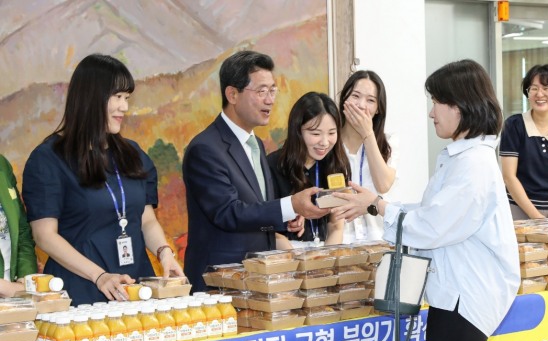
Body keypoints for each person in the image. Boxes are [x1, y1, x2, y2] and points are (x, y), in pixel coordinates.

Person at [331, 59, 520, 341]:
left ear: (460, 106)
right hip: (453, 294)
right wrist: (377, 205)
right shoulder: (462, 157)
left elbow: (432, 226)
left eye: (437, 102)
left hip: (466, 297)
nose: (432, 112)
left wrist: (377, 205)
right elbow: (430, 213)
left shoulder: (474, 165)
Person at [22, 54, 183, 305]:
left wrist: (164, 253)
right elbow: (45, 236)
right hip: (81, 292)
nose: (124, 107)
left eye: (127, 98)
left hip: (135, 288)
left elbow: (146, 220)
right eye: (117, 97)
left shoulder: (133, 154)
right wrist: (100, 276)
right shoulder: (48, 159)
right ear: (91, 97)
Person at [182, 50, 328, 291]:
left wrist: (288, 217)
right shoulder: (205, 149)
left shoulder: (256, 144)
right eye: (261, 92)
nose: (270, 100)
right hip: (220, 283)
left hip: (257, 280)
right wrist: (290, 204)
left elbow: (256, 207)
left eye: (272, 91)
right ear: (232, 94)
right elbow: (228, 212)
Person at [267, 92, 351, 248]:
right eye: (316, 133)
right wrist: (296, 260)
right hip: (285, 253)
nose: (325, 142)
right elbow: (267, 228)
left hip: (325, 251)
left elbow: (336, 226)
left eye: (332, 133)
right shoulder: (272, 166)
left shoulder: (336, 164)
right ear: (297, 131)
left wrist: (326, 258)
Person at [499, 64, 548, 220]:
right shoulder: (514, 125)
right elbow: (509, 176)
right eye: (534, 88)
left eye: (546, 88)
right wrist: (536, 216)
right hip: (518, 210)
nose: (539, 94)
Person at [338, 70, 397, 242]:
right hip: (339, 241)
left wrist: (367, 134)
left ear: (378, 108)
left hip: (378, 240)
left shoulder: (389, 142)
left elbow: (383, 185)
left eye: (371, 100)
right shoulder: (329, 141)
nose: (361, 105)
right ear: (344, 99)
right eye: (356, 96)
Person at [0, 155, 37, 297]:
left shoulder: (2, 163)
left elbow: (22, 231)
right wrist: (5, 288)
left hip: (13, 294)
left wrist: (25, 277)